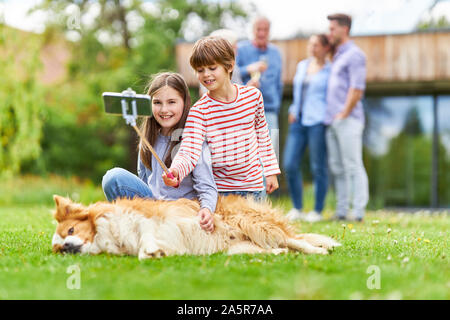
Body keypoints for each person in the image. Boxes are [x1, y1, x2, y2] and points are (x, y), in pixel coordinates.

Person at [162, 36, 280, 200]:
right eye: (200, 70)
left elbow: (263, 136)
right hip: (222, 192)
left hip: (254, 187)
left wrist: (271, 171)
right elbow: (189, 149)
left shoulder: (253, 97)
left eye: (212, 68)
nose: (206, 75)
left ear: (230, 66)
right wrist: (176, 170)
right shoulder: (200, 111)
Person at [102, 72, 217, 232]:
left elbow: (207, 186)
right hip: (153, 207)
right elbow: (143, 181)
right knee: (113, 178)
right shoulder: (148, 138)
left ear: (184, 102)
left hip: (179, 211)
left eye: (171, 102)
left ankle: (147, 230)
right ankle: (133, 229)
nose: (164, 109)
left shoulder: (193, 139)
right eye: (157, 102)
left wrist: (207, 209)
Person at [325, 13, 369, 222]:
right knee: (338, 167)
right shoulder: (338, 55)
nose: (329, 33)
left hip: (349, 120)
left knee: (353, 165)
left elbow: (357, 88)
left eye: (333, 28)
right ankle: (342, 211)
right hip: (332, 121)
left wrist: (344, 113)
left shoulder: (355, 55)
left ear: (345, 29)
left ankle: (358, 212)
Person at [284, 34, 331, 223]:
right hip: (298, 121)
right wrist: (293, 108)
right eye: (311, 44)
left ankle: (318, 210)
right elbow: (297, 92)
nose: (313, 48)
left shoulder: (330, 70)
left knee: (318, 166)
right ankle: (297, 208)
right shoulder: (302, 65)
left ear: (325, 48)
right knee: (290, 164)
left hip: (317, 121)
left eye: (317, 45)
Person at [236, 16, 283, 158]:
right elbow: (231, 73)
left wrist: (277, 105)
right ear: (252, 30)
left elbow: (278, 83)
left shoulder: (275, 53)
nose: (262, 33)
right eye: (258, 29)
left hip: (269, 110)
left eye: (265, 30)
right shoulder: (241, 49)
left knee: (269, 157)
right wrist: (249, 69)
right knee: (247, 156)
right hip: (245, 111)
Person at [199, 29, 243, 96]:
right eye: (234, 46)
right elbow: (204, 93)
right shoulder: (208, 67)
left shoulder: (234, 66)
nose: (237, 48)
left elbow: (238, 90)